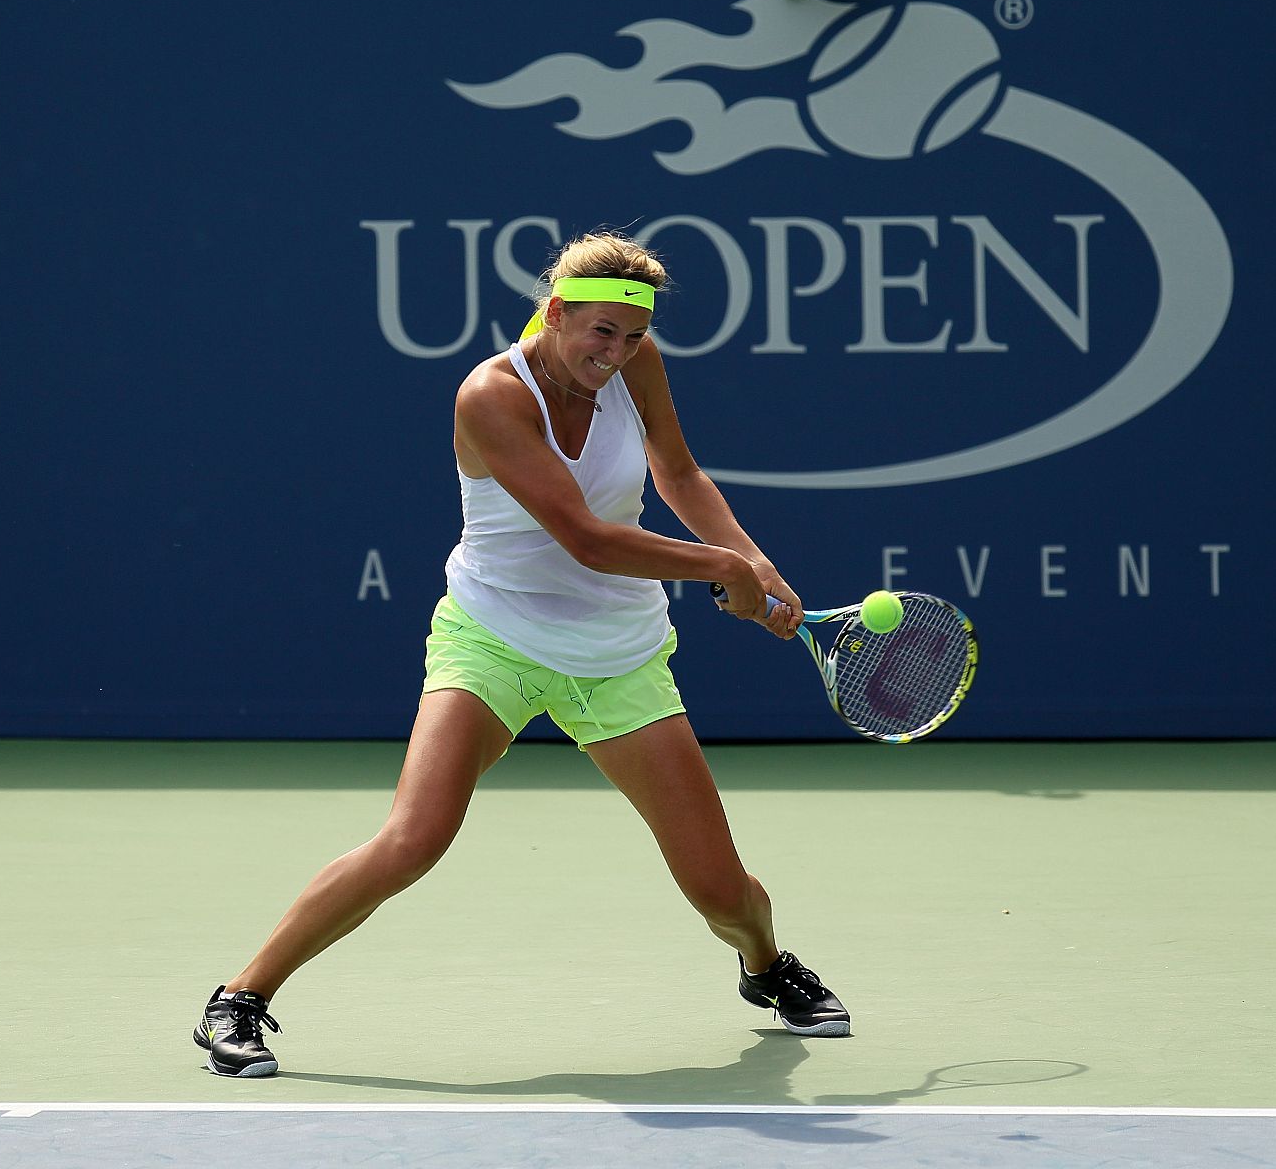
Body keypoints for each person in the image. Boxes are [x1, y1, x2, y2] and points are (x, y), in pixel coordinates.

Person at [194, 231, 849, 1077]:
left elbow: (679, 475)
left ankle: (766, 967)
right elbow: (582, 536)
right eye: (599, 333)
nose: (614, 354)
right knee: (415, 837)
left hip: (617, 651)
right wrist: (717, 567)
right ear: (554, 313)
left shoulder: (636, 366)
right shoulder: (490, 396)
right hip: (493, 635)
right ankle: (239, 999)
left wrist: (754, 562)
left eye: (633, 336)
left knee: (721, 890)